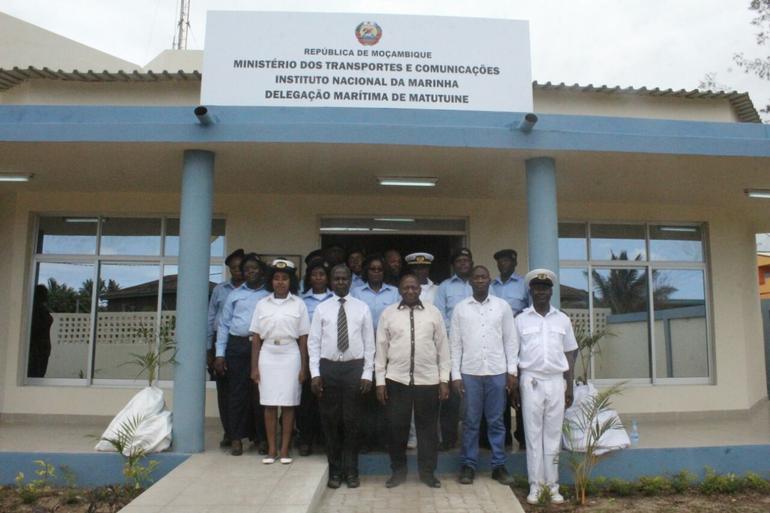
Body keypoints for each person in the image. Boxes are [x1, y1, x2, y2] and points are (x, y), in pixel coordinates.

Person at [376, 274, 450, 489]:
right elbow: (381, 349)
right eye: (406, 287)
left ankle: (428, 473)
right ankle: (398, 471)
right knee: (396, 428)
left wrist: (444, 379)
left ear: (420, 290)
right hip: (396, 380)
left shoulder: (433, 313)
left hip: (427, 380)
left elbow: (443, 348)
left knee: (427, 431)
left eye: (414, 287)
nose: (410, 291)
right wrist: (380, 381)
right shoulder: (388, 314)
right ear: (399, 290)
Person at [513, 268, 577, 505]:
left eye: (545, 288)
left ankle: (553, 485)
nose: (541, 292)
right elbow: (514, 354)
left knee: (553, 435)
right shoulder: (520, 320)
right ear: (531, 291)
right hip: (531, 380)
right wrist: (515, 388)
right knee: (532, 435)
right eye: (537, 288)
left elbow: (570, 353)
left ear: (551, 291)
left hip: (556, 381)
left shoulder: (562, 319)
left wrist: (569, 386)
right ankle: (535, 486)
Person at [450, 265, 517, 486]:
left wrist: (511, 371)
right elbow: (455, 345)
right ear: (470, 281)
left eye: (484, 277)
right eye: (476, 277)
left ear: (490, 280)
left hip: (497, 372)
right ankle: (468, 465)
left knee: (497, 421)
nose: (480, 280)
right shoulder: (460, 309)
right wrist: (455, 375)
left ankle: (498, 466)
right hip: (470, 372)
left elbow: (510, 340)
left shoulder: (502, 307)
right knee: (470, 422)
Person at [309, 264, 375, 489]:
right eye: (336, 279)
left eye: (344, 278)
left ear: (350, 281)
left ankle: (352, 470)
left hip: (354, 369)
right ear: (330, 281)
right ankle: (335, 470)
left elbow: (370, 345)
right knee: (331, 422)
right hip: (329, 369)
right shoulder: (322, 309)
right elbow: (313, 343)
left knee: (352, 422)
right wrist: (315, 374)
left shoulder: (362, 308)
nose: (340, 282)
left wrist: (367, 373)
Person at [250, 259, 310, 464]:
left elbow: (303, 338)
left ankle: (284, 450)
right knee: (268, 404)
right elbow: (256, 338)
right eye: (276, 278)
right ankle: (271, 450)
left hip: (290, 353)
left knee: (288, 404)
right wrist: (254, 368)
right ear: (271, 281)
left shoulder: (299, 304)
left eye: (284, 278)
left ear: (290, 281)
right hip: (268, 354)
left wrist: (304, 367)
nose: (280, 282)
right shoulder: (261, 304)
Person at [213, 253, 269, 456]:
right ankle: (236, 438)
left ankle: (263, 438)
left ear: (261, 271)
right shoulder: (233, 295)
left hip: (262, 346)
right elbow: (224, 325)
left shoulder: (268, 294)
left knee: (260, 395)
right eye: (247, 269)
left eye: (254, 268)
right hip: (237, 347)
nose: (250, 272)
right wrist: (220, 354)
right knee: (237, 394)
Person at [351, 253, 400, 452]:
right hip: (363, 349)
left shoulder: (395, 292)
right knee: (365, 396)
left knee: (387, 396)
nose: (376, 272)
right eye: (372, 269)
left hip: (388, 349)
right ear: (366, 271)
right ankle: (366, 440)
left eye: (380, 269)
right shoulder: (356, 292)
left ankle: (385, 440)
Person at [434, 247, 474, 451]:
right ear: (453, 265)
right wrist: (457, 334)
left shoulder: (482, 283)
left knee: (474, 394)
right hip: (451, 347)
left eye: (466, 260)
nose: (463, 263)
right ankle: (449, 439)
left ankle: (474, 439)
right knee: (450, 396)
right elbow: (440, 316)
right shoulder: (444, 287)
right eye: (458, 261)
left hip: (477, 349)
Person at [206, 248, 245, 448]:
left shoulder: (253, 291)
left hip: (242, 344)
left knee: (244, 392)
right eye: (233, 268)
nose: (237, 271)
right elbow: (211, 317)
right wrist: (209, 350)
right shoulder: (220, 290)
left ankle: (244, 432)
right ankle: (229, 432)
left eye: (240, 267)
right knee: (225, 391)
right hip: (220, 344)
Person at [491, 248, 530, 450]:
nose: (503, 264)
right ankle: (504, 437)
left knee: (521, 391)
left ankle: (523, 435)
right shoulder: (491, 286)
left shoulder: (524, 285)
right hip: (497, 345)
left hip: (521, 344)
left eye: (507, 261)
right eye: (500, 261)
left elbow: (532, 311)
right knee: (501, 392)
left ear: (514, 263)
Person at [298, 259, 333, 456]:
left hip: (329, 355)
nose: (318, 278)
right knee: (307, 400)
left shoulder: (335, 299)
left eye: (322, 274)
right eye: (314, 274)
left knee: (327, 400)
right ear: (309, 278)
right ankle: (306, 439)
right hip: (307, 353)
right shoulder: (302, 301)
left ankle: (325, 439)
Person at [28, 284, 53, 378]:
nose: (47, 296)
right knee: (35, 375)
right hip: (36, 350)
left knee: (38, 376)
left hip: (43, 350)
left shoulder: (41, 310)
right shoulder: (33, 311)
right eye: (45, 294)